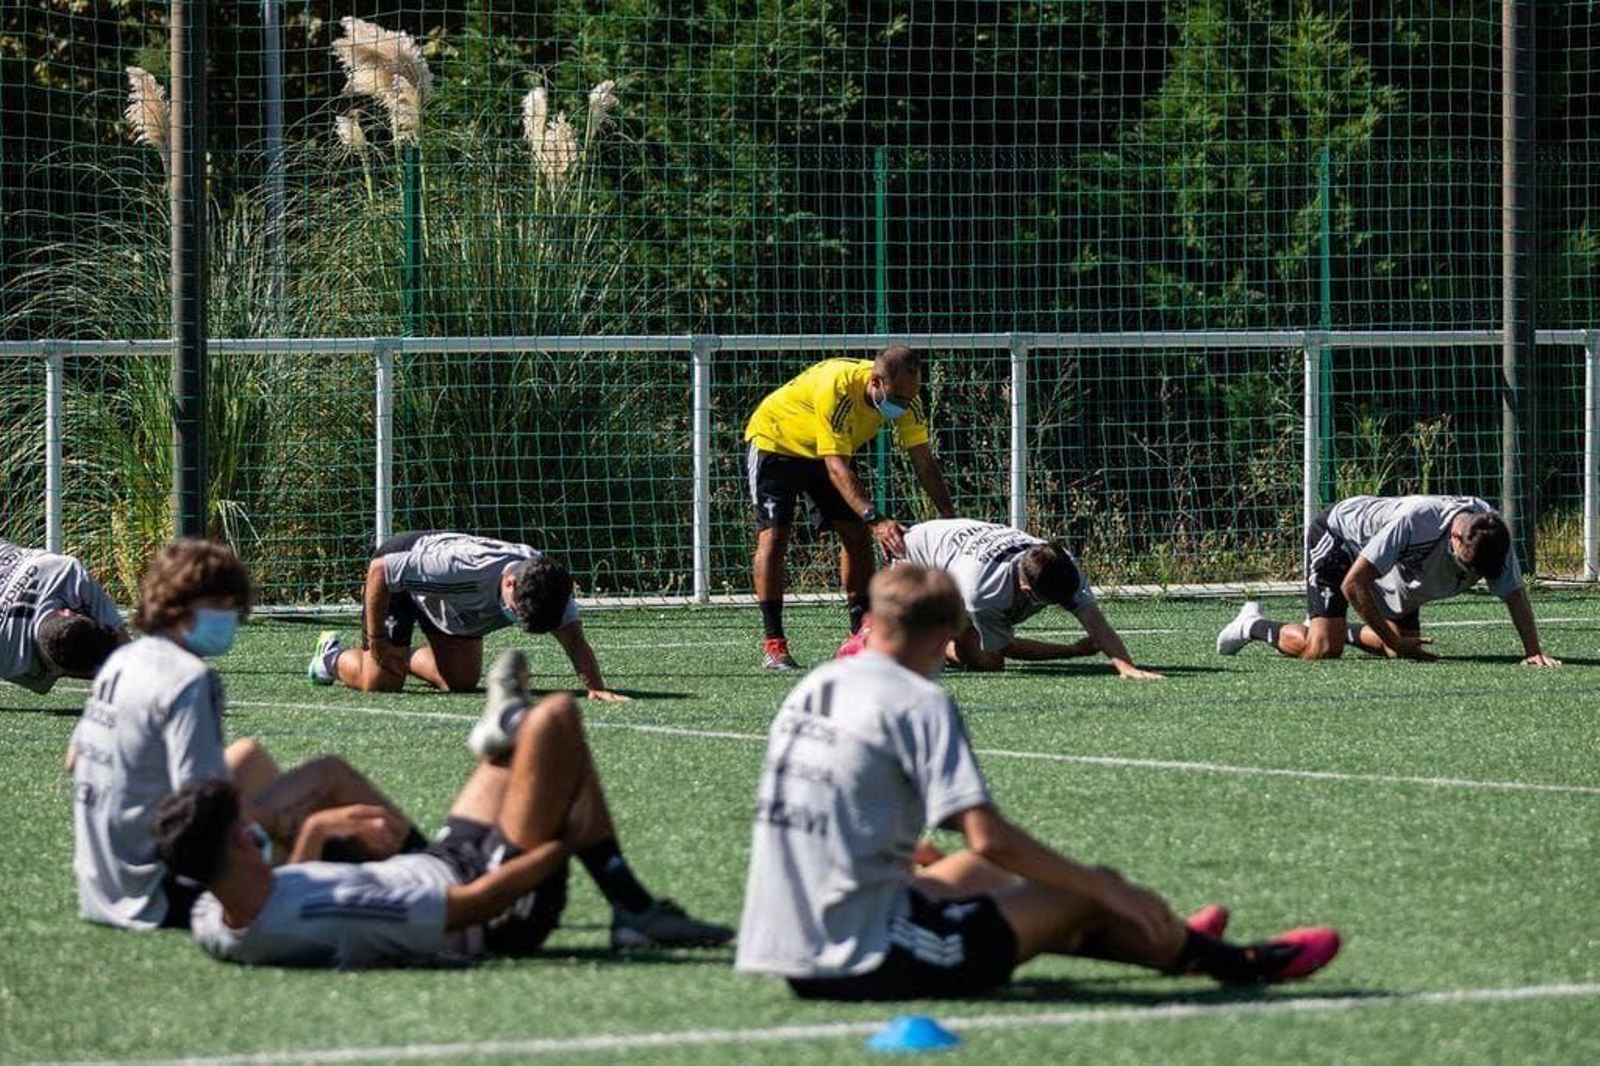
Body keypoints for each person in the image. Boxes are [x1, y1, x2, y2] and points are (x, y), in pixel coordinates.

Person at [736, 564, 1340, 1000]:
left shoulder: (815, 686)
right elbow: (990, 837)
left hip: (793, 941)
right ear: (948, 636)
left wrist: (899, 850)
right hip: (862, 959)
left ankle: (1161, 934)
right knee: (1087, 889)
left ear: (874, 621)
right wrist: (1111, 893)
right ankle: (1223, 959)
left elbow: (816, 801)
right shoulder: (918, 700)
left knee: (982, 879)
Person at [155, 650, 733, 967]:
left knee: (525, 751)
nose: (252, 830)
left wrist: (318, 832)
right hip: (500, 908)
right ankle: (628, 905)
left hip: (442, 859)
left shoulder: (215, 915)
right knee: (556, 720)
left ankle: (510, 731)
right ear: (234, 843)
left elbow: (276, 892)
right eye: (244, 826)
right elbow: (468, 908)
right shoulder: (332, 910)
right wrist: (566, 837)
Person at [72, 538, 417, 931]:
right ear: (186, 605)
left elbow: (75, 759)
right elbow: (201, 812)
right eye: (224, 607)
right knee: (329, 777)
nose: (233, 619)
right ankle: (432, 873)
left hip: (100, 887)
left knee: (247, 757)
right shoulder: (186, 678)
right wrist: (287, 826)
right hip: (158, 894)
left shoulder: (121, 661)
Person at [744, 345, 956, 671]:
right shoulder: (838, 387)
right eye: (897, 398)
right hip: (777, 443)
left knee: (856, 536)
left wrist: (948, 515)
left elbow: (923, 459)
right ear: (875, 382)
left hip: (827, 454)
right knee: (774, 539)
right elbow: (837, 470)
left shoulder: (907, 399)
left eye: (909, 398)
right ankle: (775, 645)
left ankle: (859, 632)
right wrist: (875, 518)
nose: (902, 406)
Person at [1215, 494, 1559, 666]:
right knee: (1321, 648)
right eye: (1466, 567)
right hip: (1339, 538)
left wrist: (1534, 652)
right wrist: (1391, 639)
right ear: (1454, 538)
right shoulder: (1417, 522)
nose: (1470, 576)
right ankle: (1252, 625)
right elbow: (1354, 583)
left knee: (1405, 650)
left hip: (1388, 564)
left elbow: (1513, 593)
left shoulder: (1493, 533)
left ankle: (1339, 626)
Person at [307, 531, 626, 699]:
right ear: (509, 583)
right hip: (399, 583)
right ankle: (329, 658)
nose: (514, 621)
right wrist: (377, 641)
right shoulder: (460, 566)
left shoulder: (551, 590)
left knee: (459, 681)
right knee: (380, 683)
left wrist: (595, 686)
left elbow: (575, 644)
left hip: (452, 609)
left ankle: (399, 654)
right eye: (515, 614)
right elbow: (381, 570)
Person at [840, 518, 1161, 679]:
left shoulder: (1061, 564)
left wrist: (1125, 665)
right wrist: (1073, 651)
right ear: (1026, 591)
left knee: (980, 647)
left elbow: (1094, 619)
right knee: (988, 661)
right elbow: (1005, 648)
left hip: (959, 545)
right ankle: (878, 636)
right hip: (918, 553)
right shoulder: (982, 592)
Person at [0, 538, 127, 696]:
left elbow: (128, 654)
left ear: (66, 612)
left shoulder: (69, 572)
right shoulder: (11, 658)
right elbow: (128, 656)